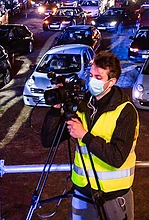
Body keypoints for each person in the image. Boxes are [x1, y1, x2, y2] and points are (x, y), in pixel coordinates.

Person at [42, 51, 139, 220]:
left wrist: (85, 136)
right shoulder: (82, 105)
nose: (92, 80)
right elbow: (48, 139)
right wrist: (56, 108)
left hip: (113, 195)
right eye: (91, 75)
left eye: (98, 77)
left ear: (112, 82)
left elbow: (117, 157)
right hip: (82, 192)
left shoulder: (125, 111)